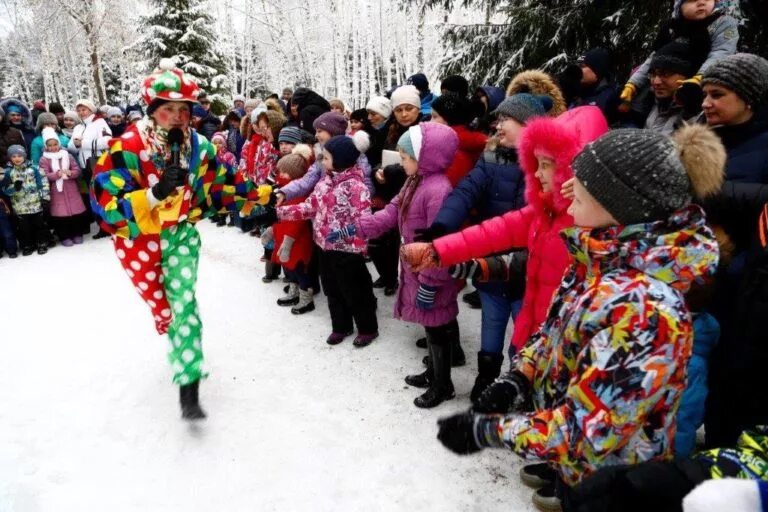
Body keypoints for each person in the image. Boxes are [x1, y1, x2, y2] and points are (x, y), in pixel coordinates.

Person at [428, 125, 723, 512]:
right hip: (576, 469)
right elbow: (554, 328)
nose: (569, 185)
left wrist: (488, 431)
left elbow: (589, 432)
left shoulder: (645, 311)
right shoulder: (594, 254)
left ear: (624, 202)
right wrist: (521, 377)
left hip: (616, 483)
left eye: (584, 180)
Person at [90, 59, 265, 420]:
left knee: (183, 303)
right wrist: (154, 194)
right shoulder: (126, 145)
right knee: (165, 309)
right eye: (168, 109)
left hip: (181, 235)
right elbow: (106, 204)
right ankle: (170, 326)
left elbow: (225, 182)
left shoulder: (200, 146)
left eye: (183, 110)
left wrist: (264, 194)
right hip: (138, 240)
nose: (176, 117)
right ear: (153, 111)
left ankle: (189, 385)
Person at [418, 94, 554, 401]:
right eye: (497, 119)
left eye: (506, 119)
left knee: (526, 328)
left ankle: (519, 382)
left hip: (532, 265)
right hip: (491, 257)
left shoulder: (546, 165)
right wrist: (441, 226)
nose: (497, 124)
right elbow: (466, 192)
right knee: (491, 321)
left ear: (528, 125)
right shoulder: (491, 155)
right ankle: (486, 377)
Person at [344, 122, 461, 407]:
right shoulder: (414, 181)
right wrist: (362, 226)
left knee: (438, 328)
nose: (402, 162)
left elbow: (438, 245)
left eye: (406, 157)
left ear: (426, 157)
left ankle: (443, 384)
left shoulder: (438, 191)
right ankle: (433, 372)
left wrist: (432, 283)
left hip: (433, 275)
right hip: (415, 268)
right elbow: (393, 210)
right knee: (430, 325)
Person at [698, 53, 768, 447]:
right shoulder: (698, 138)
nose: (706, 103)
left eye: (717, 94)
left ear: (749, 99)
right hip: (701, 283)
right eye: (705, 93)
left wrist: (714, 194)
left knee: (736, 384)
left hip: (746, 288)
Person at [276, 135, 378, 348]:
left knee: (354, 291)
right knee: (332, 289)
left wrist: (339, 235)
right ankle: (341, 326)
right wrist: (283, 211)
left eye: (327, 157)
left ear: (341, 159)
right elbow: (310, 206)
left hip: (347, 251)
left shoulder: (356, 187)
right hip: (324, 247)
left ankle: (367, 328)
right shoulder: (325, 181)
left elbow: (364, 223)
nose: (322, 161)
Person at [620, 0, 739, 109]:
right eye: (692, 0)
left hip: (705, 85)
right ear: (679, 6)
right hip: (670, 86)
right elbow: (655, 57)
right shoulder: (672, 27)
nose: (701, 2)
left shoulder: (722, 23)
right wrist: (633, 83)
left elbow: (722, 52)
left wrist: (701, 76)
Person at [272, 147, 316, 314]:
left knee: (300, 270)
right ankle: (293, 291)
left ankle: (306, 298)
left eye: (284, 173)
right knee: (290, 270)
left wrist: (288, 241)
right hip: (284, 240)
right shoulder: (284, 193)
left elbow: (297, 223)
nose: (280, 176)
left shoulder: (299, 197)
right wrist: (271, 231)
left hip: (297, 243)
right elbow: (279, 218)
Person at [38, 128, 88, 246]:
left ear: (59, 144)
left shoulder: (67, 155)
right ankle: (64, 236)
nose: (53, 147)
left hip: (71, 189)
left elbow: (77, 170)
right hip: (57, 191)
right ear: (46, 146)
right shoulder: (44, 159)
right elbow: (44, 175)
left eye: (55, 144)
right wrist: (57, 174)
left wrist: (70, 173)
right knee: (61, 216)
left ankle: (77, 234)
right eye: (50, 145)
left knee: (75, 215)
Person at [643, 41, 706, 134]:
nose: (656, 82)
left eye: (665, 74)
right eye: (653, 74)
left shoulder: (703, 112)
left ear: (687, 76)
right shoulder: (651, 102)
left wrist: (689, 114)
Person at [429, 93, 488, 187]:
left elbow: (446, 189)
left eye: (435, 116)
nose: (430, 122)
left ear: (450, 119)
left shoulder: (457, 154)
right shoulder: (448, 145)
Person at [1, 145, 50, 256]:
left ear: (24, 156)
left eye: (19, 155)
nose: (17, 158)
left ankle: (42, 243)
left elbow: (43, 183)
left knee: (39, 225)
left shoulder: (34, 168)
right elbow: (5, 190)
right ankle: (28, 245)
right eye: (13, 156)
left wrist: (45, 198)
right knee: (24, 228)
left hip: (36, 203)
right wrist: (14, 188)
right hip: (20, 206)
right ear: (10, 158)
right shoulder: (9, 172)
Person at [560, 48, 621, 124]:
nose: (578, 70)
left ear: (597, 70)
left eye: (583, 66)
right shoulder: (574, 95)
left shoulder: (611, 97)